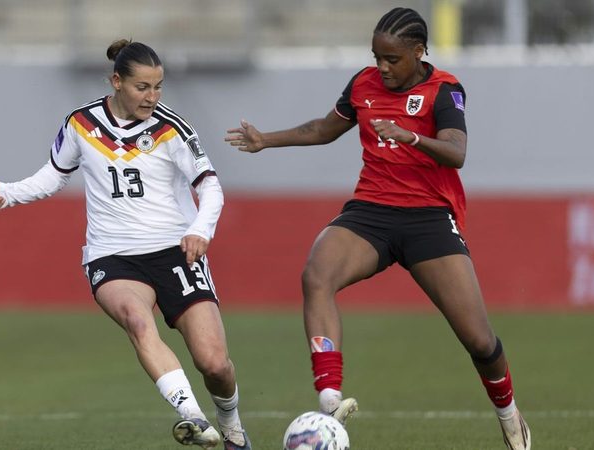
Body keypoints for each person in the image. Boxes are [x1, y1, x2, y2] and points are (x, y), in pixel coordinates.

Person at [225, 7, 530, 450]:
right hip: (372, 210)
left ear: (418, 52)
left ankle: (510, 418)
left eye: (392, 59)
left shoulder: (443, 90)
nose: (382, 68)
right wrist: (265, 140)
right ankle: (329, 400)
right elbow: (325, 129)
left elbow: (456, 152)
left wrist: (411, 137)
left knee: (480, 340)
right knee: (317, 275)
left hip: (428, 217)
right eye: (377, 57)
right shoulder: (363, 84)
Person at [0, 39, 251, 450]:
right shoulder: (81, 125)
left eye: (158, 87)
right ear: (117, 81)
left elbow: (210, 187)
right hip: (113, 255)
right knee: (137, 322)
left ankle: (231, 424)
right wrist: (10, 193)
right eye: (143, 87)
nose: (152, 97)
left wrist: (200, 229)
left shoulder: (172, 129)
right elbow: (54, 175)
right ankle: (194, 418)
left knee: (214, 363)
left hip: (176, 250)